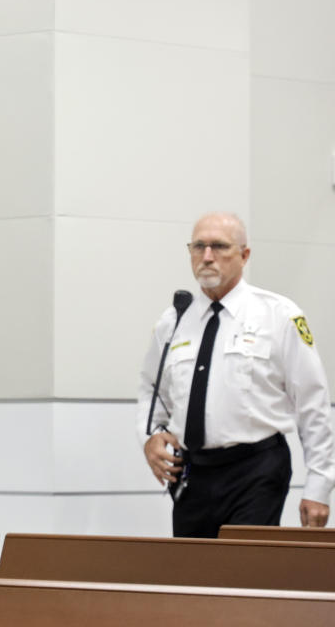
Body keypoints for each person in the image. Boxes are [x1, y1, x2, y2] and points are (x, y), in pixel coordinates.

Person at [138, 212, 335, 537]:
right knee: (193, 579)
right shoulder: (173, 322)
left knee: (241, 570)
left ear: (244, 255)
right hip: (192, 473)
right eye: (198, 246)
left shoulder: (278, 316)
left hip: (256, 469)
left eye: (219, 246)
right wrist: (150, 438)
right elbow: (151, 392)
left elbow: (312, 405)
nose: (207, 256)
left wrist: (319, 486)